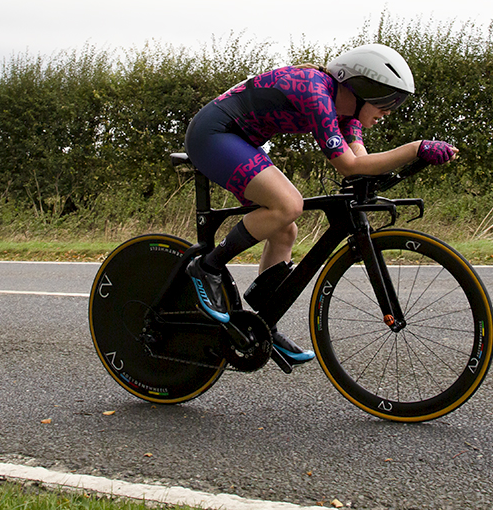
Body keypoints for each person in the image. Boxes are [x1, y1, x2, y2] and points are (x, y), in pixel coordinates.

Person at [184, 43, 458, 365]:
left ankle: (264, 322)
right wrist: (415, 149)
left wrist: (407, 165)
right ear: (363, 88)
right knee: (288, 205)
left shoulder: (347, 116)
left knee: (285, 229)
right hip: (213, 134)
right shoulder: (315, 90)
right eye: (386, 103)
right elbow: (349, 167)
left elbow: (362, 164)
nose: (387, 112)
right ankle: (207, 267)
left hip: (239, 140)